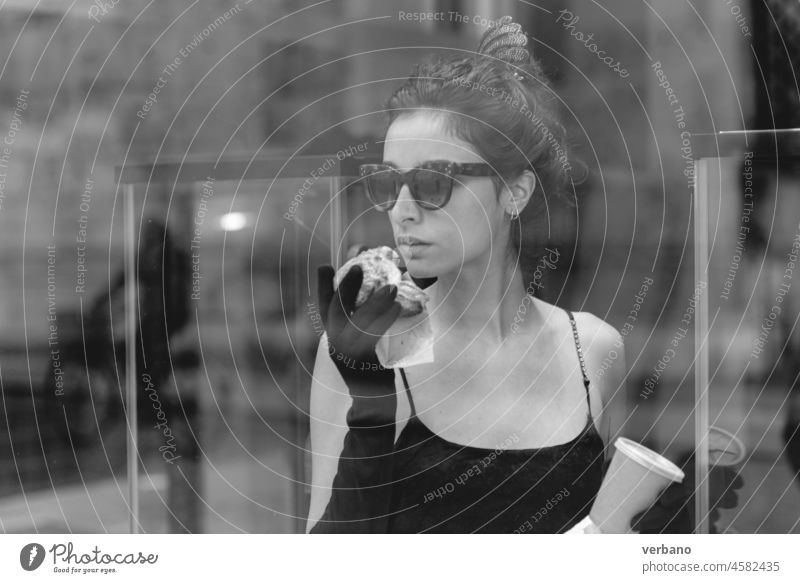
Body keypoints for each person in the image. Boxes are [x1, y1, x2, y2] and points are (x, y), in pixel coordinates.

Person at [305, 16, 738, 533]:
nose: (401, 210)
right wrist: (370, 417)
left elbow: (601, 537)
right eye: (388, 183)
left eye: (431, 182)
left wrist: (673, 532)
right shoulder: (367, 353)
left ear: (515, 191)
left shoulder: (593, 350)